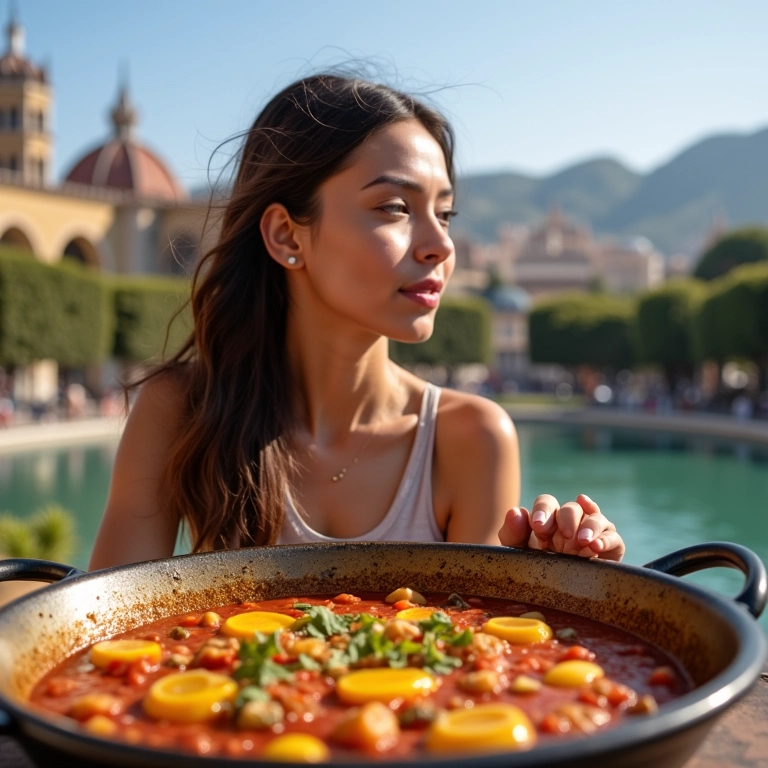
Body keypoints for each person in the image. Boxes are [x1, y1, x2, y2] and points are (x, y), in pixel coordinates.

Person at [89, 74, 624, 571]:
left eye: (445, 213)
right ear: (285, 235)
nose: (441, 245)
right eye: (394, 207)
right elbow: (106, 632)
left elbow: (480, 656)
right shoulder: (182, 412)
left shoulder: (473, 438)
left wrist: (563, 583)